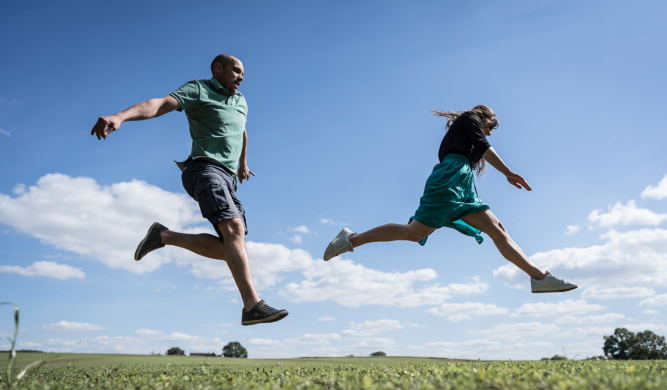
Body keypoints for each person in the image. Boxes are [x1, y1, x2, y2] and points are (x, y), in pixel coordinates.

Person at [91, 54, 288, 324]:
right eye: (236, 71)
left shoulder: (240, 100)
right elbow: (159, 104)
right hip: (204, 169)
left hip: (228, 178)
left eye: (243, 73)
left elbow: (241, 129)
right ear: (218, 69)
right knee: (234, 230)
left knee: (232, 249)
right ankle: (251, 306)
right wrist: (120, 116)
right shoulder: (199, 89)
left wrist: (242, 163)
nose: (242, 76)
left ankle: (164, 236)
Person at [323, 105, 577, 293]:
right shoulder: (470, 119)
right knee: (414, 232)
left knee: (494, 229)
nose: (488, 133)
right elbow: (480, 143)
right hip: (450, 178)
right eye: (490, 127)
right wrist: (508, 172)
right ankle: (351, 239)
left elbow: (478, 146)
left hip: (461, 183)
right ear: (483, 117)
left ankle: (539, 277)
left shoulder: (464, 142)